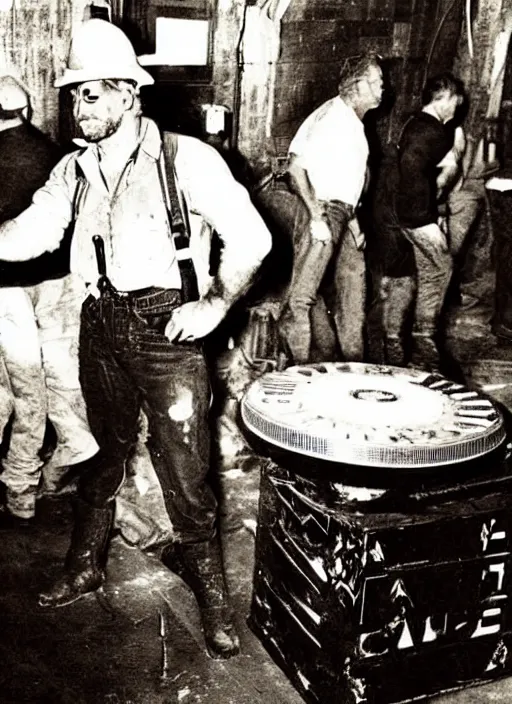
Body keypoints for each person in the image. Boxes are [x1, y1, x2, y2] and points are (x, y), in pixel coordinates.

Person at [0, 20, 272, 659]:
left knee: (184, 472)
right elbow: (32, 233)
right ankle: (86, 563)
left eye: (92, 94)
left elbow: (253, 239)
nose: (78, 106)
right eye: (73, 95)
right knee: (103, 452)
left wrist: (215, 304)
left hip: (166, 332)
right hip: (100, 326)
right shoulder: (75, 169)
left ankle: (213, 602)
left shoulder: (187, 158)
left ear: (128, 93)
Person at [0, 74, 98, 521]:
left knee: (22, 389)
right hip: (60, 283)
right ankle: (65, 466)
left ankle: (20, 489)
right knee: (64, 380)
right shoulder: (58, 156)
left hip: (6, 291)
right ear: (27, 110)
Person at [277, 55, 384, 365]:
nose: (383, 88)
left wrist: (354, 227)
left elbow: (346, 180)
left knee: (354, 296)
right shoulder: (332, 117)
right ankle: (300, 371)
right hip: (323, 212)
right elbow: (296, 168)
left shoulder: (353, 122)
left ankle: (351, 364)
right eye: (377, 82)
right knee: (302, 298)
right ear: (359, 85)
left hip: (343, 215)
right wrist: (315, 216)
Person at [369, 72, 465, 371]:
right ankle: (424, 344)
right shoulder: (434, 131)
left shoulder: (414, 124)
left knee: (405, 278)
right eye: (454, 103)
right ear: (445, 97)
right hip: (410, 214)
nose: (456, 110)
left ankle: (394, 348)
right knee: (440, 267)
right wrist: (424, 221)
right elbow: (425, 175)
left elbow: (425, 175)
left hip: (389, 212)